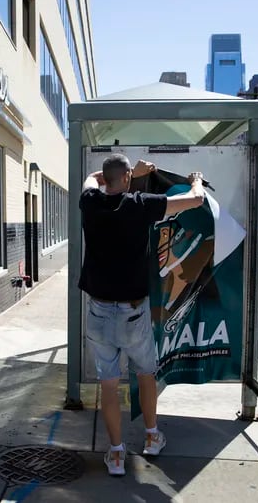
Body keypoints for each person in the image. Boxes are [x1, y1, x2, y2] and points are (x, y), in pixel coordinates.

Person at [78, 153, 206, 476]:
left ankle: (117, 455)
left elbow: (94, 179)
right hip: (133, 313)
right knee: (146, 373)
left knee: (108, 384)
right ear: (127, 180)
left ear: (108, 179)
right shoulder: (140, 204)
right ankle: (151, 438)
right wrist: (196, 180)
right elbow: (195, 200)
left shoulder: (89, 201)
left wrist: (128, 173)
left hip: (98, 312)